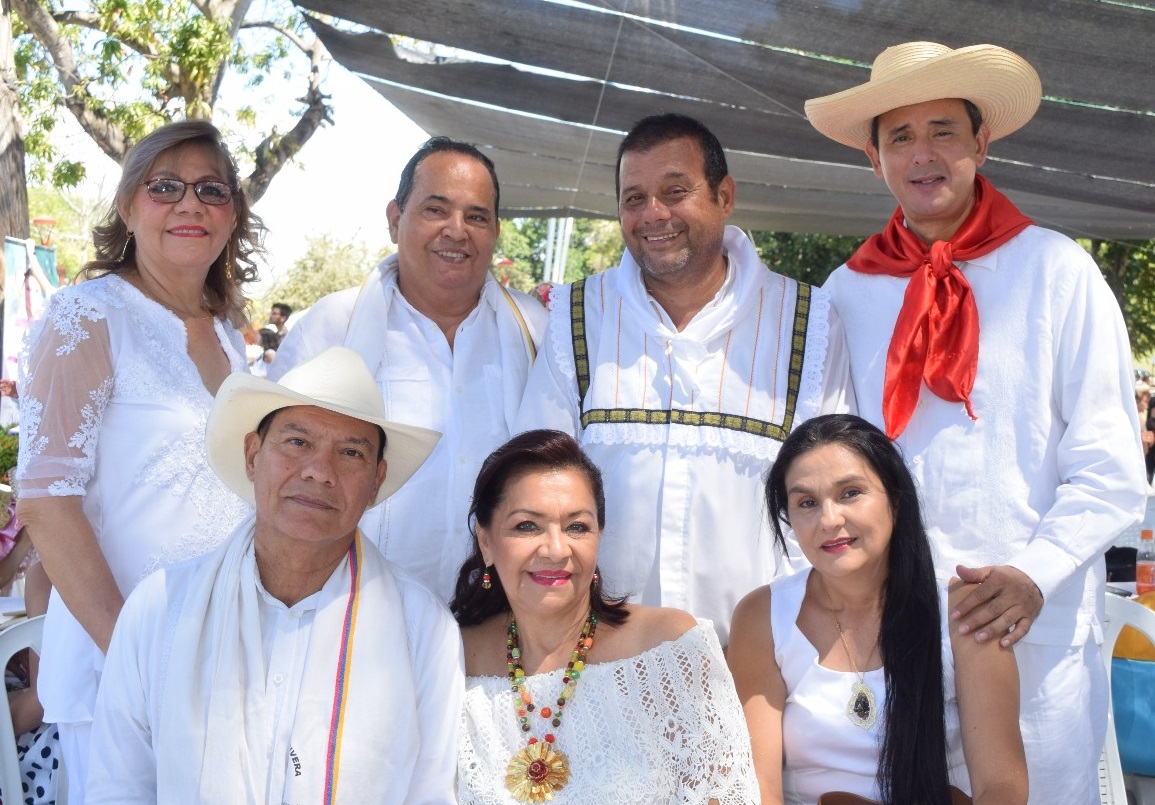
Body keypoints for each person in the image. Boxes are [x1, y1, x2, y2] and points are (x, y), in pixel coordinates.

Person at [807, 42, 1148, 803]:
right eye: (899, 136)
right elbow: (825, 463)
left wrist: (1035, 573)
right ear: (874, 158)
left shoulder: (1056, 270)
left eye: (942, 131)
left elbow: (1110, 464)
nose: (922, 154)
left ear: (980, 142)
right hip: (891, 625)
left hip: (1032, 627)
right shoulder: (846, 291)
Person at [516, 113, 853, 643]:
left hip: (760, 663)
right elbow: (533, 490)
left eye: (675, 191)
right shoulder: (578, 316)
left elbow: (834, 499)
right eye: (634, 199)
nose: (653, 214)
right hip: (600, 659)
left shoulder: (807, 322)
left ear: (725, 195)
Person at [86, 346, 463, 804]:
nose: (320, 472)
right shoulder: (160, 608)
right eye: (297, 442)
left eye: (350, 453)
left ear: (376, 481)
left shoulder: (422, 627)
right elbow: (117, 788)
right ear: (252, 454)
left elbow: (433, 793)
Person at [13, 119, 262, 802]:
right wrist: (137, 657)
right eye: (165, 187)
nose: (190, 204)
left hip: (225, 654)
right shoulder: (86, 318)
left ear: (232, 213)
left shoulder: (225, 331)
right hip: (122, 658)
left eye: (211, 189)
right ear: (127, 206)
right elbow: (46, 503)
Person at [271, 137, 546, 602]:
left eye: (476, 216)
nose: (456, 231)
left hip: (502, 620)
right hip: (355, 614)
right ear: (396, 219)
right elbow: (277, 474)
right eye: (436, 210)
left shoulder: (539, 333)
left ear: (496, 230)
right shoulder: (334, 326)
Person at [730, 414, 1026, 804]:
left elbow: (1001, 786)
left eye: (850, 493)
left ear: (896, 500)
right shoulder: (761, 615)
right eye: (807, 503)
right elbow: (756, 789)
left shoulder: (963, 610)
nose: (829, 519)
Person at [451, 429, 758, 803]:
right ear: (486, 541)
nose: (555, 549)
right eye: (527, 526)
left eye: (576, 526)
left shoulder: (670, 650)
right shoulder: (453, 658)